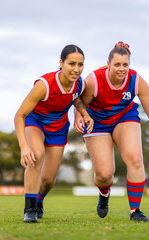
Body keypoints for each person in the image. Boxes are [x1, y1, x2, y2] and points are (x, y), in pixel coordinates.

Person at [74, 41, 149, 222]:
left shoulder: (136, 81)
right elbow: (80, 101)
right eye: (117, 64)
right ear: (108, 64)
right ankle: (104, 193)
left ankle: (135, 210)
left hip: (123, 117)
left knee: (135, 158)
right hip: (97, 122)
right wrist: (78, 116)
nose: (121, 68)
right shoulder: (94, 80)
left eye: (125, 64)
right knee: (104, 174)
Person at [14, 44, 93, 223]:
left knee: (49, 180)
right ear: (61, 63)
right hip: (36, 122)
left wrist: (84, 114)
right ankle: (30, 209)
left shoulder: (79, 84)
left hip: (58, 128)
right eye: (71, 64)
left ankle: (39, 200)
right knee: (36, 155)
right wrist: (24, 146)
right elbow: (20, 115)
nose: (76, 69)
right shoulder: (44, 85)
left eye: (80, 65)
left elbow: (76, 98)